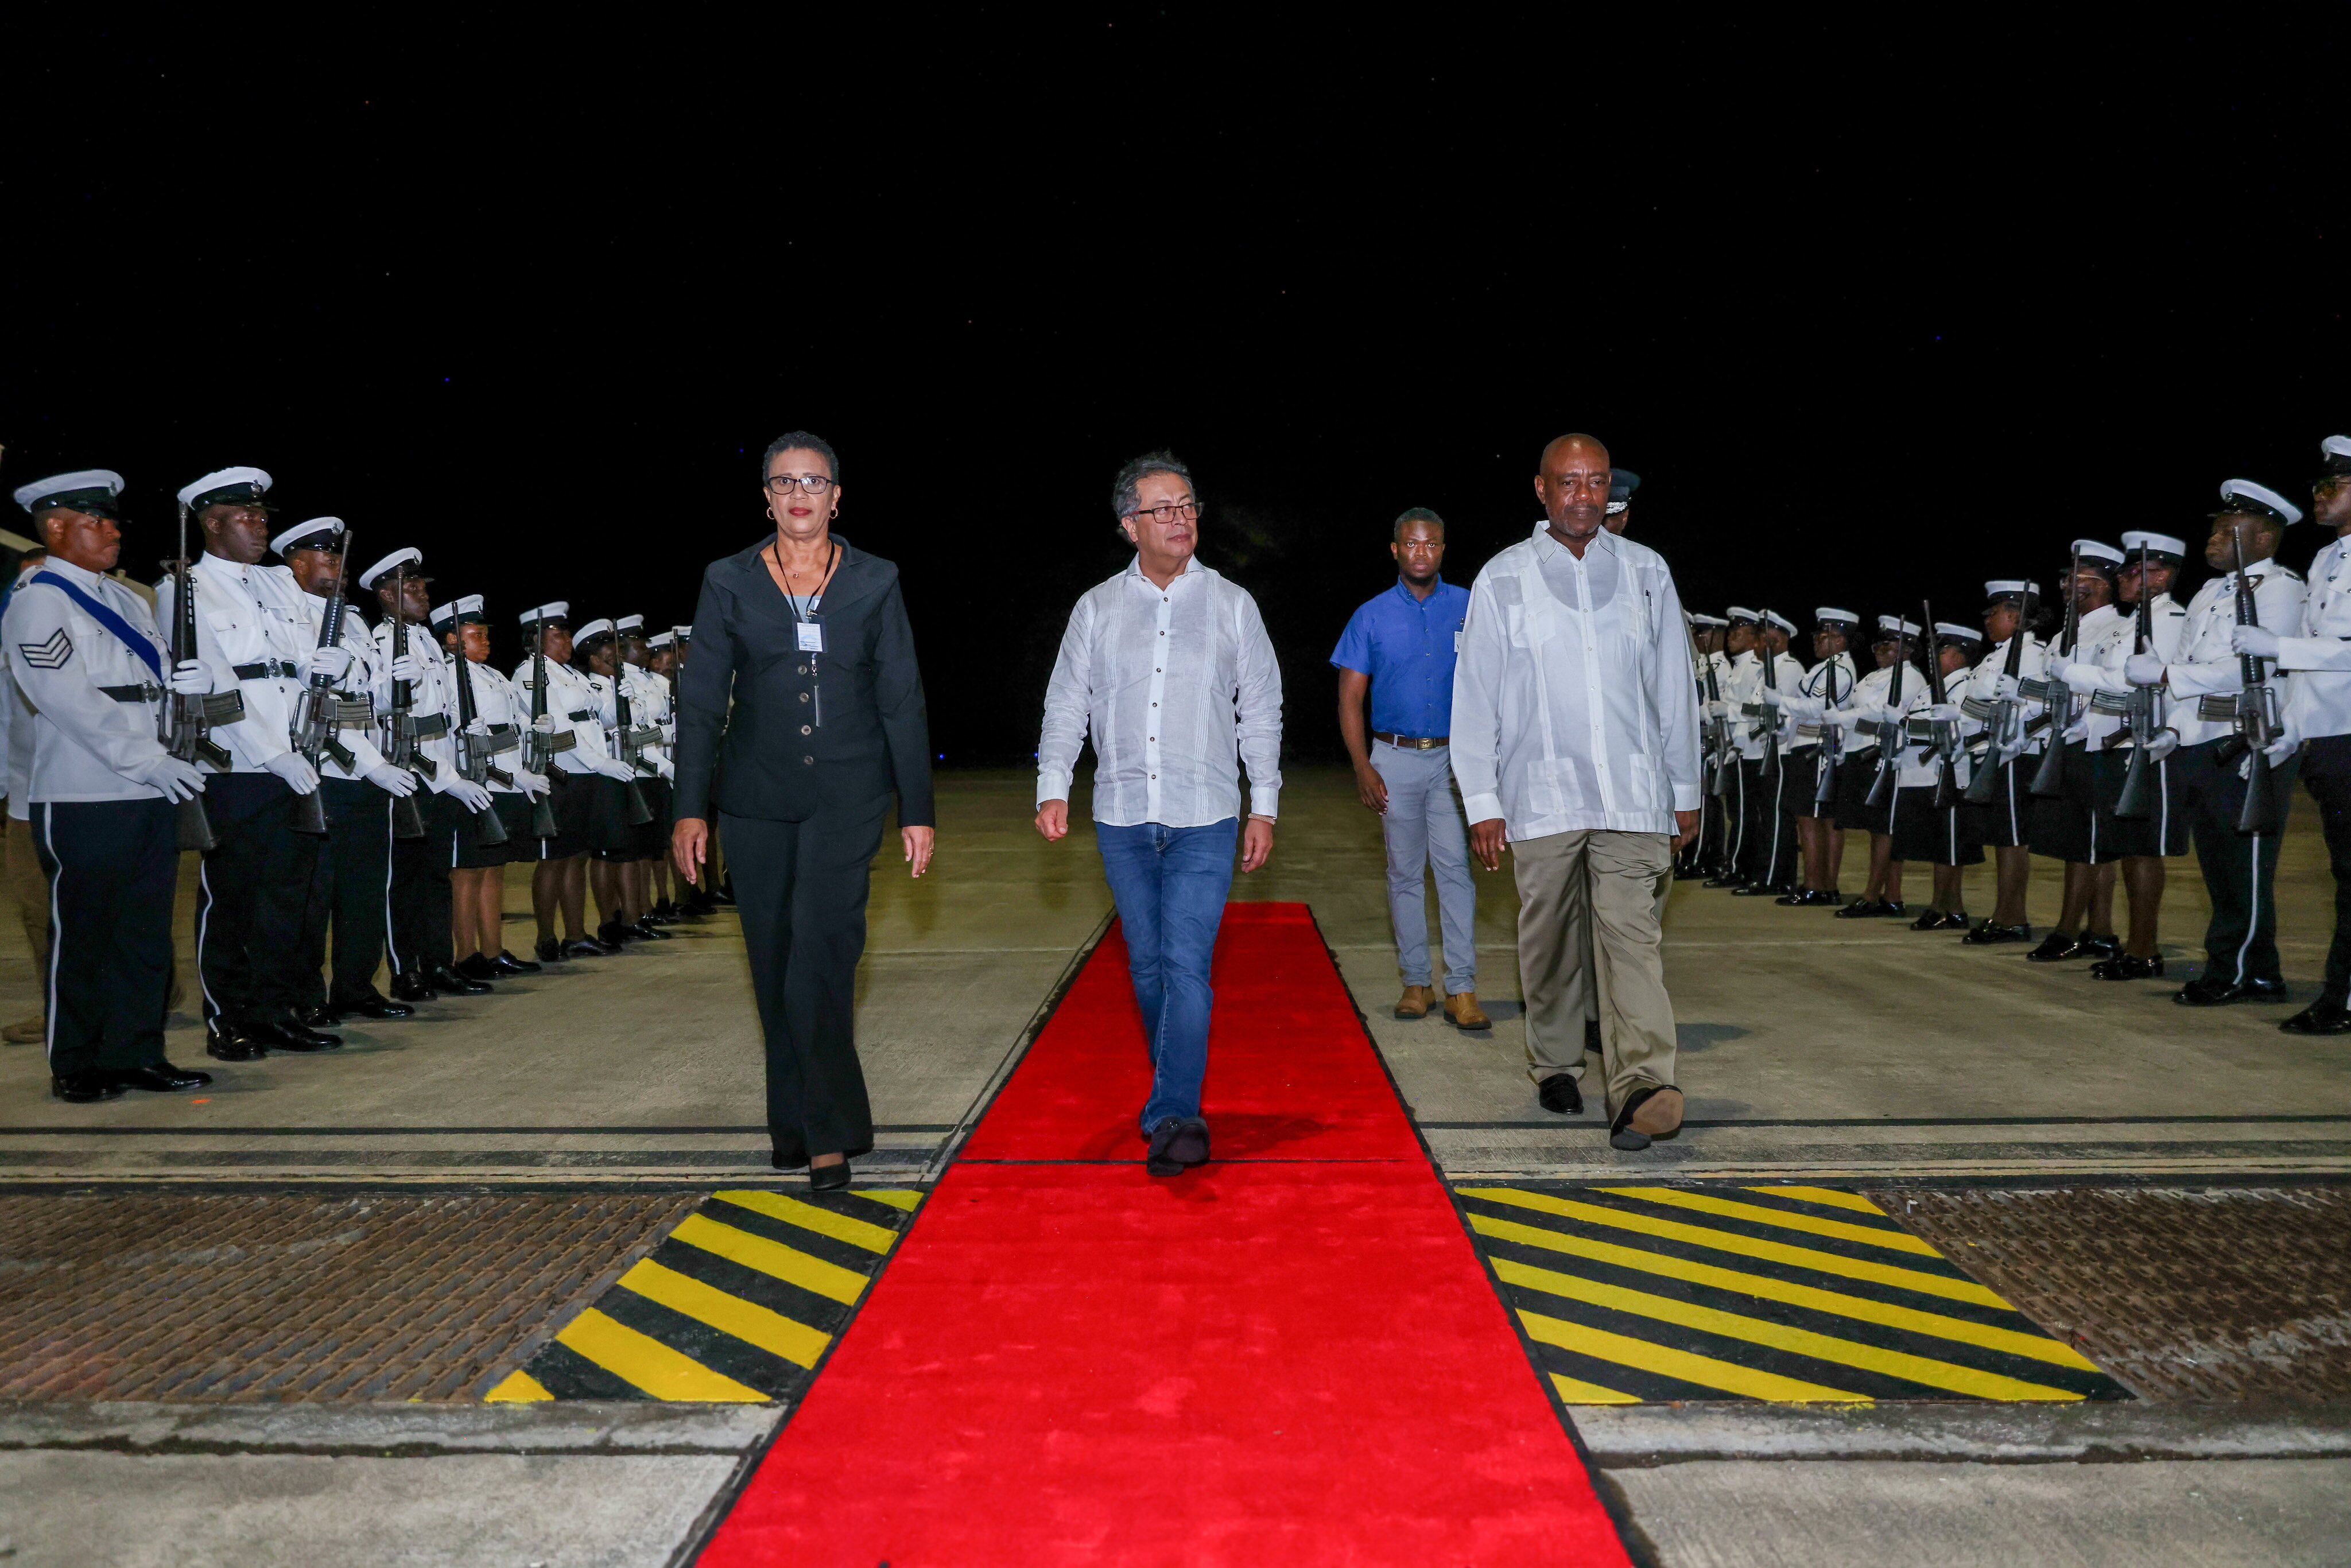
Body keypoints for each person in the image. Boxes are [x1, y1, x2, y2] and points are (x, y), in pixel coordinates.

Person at [674, 431, 936, 1191]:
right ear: (766, 496)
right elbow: (700, 703)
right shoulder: (728, 581)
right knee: (775, 960)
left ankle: (827, 1136)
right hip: (756, 798)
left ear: (836, 497)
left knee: (819, 954)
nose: (799, 495)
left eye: (813, 482)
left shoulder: (875, 580)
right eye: (784, 482)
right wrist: (692, 807)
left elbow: (902, 697)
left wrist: (917, 807)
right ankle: (794, 1126)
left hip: (849, 795)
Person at [1036, 449, 1279, 1179]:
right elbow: (1066, 702)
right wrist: (1054, 783)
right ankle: (1172, 1094)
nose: (1181, 519)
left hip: (1206, 813)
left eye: (1188, 505)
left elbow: (1260, 709)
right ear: (1128, 524)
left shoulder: (1233, 604)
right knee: (1146, 969)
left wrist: (1261, 803)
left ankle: (1175, 1112)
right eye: (1163, 508)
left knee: (1185, 965)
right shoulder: (1097, 608)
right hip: (1121, 814)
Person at [1451, 433, 1698, 1150]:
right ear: (1541, 489)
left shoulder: (1648, 572)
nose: (1583, 494)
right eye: (1569, 482)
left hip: (1632, 795)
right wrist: (1483, 801)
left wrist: (1685, 788)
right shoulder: (1504, 578)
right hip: (1542, 794)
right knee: (1551, 940)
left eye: (1594, 482)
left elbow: (1673, 690)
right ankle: (1556, 1061)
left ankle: (1643, 1083)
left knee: (1631, 939)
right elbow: (1475, 699)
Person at [5, 471, 211, 1101]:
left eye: (115, 520)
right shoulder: (39, 599)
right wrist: (142, 758)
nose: (115, 530)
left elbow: (150, 684)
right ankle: (76, 1059)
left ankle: (137, 1050)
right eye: (99, 521)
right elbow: (62, 696)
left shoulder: (126, 599)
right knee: (87, 930)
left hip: (150, 786)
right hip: (85, 791)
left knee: (144, 930)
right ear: (58, 526)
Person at [161, 467, 339, 1061]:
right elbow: (212, 686)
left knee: (286, 897)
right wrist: (272, 753)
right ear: (213, 524)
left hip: (298, 757)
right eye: (248, 517)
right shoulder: (184, 590)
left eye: (264, 516)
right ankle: (227, 1018)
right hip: (240, 764)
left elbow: (305, 659)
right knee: (233, 897)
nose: (262, 527)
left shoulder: (279, 585)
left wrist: (329, 666)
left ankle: (275, 1010)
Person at [2129, 480, 2306, 1006]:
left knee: (2248, 865)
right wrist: (2173, 730)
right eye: (2213, 529)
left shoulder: (2282, 589)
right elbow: (2190, 668)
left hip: (2250, 742)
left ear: (2265, 538)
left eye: (2227, 530)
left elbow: (2251, 667)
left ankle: (2237, 970)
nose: (2212, 539)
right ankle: (2257, 970)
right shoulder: (2209, 593)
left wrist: (2165, 677)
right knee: (2219, 865)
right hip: (2203, 742)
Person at [1332, 507, 1484, 1028]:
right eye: (1412, 545)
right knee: (1403, 874)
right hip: (1392, 758)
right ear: (1396, 550)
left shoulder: (1471, 607)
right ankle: (1416, 982)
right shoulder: (1370, 616)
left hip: (1452, 761)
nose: (1423, 553)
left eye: (1432, 544)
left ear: (1443, 549)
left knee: (1456, 873)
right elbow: (1351, 700)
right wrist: (1362, 767)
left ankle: (1461, 988)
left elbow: (1494, 687)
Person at [278, 518, 421, 1025]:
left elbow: (366, 698)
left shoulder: (355, 622)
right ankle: (306, 994)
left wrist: (395, 684)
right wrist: (373, 763)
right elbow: (315, 703)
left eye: (340, 559)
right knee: (316, 894)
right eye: (327, 558)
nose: (338, 568)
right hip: (322, 770)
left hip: (366, 772)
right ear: (297, 563)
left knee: (364, 890)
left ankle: (356, 987)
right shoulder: (287, 615)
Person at [2244, 436, 2351, 1032]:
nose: (2320, 495)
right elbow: (2312, 664)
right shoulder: (2326, 561)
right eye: (2318, 485)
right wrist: (2288, 726)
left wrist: (2278, 646)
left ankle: (2342, 997)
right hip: (2328, 739)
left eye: (2333, 485)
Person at [363, 548, 496, 1003]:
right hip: (408, 773)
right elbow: (392, 721)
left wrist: (467, 734)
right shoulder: (381, 644)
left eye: (422, 585)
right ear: (386, 595)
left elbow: (443, 712)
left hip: (442, 771)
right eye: (412, 587)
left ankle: (437, 962)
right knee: (404, 880)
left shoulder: (426, 644)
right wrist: (445, 775)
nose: (423, 594)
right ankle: (406, 971)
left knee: (436, 876)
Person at [2071, 531, 2193, 981]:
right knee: (2127, 850)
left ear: (2159, 575)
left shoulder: (2171, 619)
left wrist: (2077, 675)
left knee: (2143, 850)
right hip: (2116, 741)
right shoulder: (2131, 621)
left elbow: (2135, 679)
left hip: (2147, 743)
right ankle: (2136, 946)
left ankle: (2145, 950)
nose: (2122, 577)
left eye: (2132, 571)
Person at [441, 595, 552, 983]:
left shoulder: (493, 676)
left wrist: (532, 740)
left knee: (493, 870)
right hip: (472, 781)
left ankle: (493, 950)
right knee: (466, 874)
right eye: (476, 635)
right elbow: (450, 727)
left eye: (486, 635)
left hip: (503, 781)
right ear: (453, 640)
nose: (485, 642)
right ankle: (465, 954)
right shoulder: (448, 676)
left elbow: (510, 730)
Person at [2024, 543, 2126, 963]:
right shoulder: (2065, 634)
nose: (2067, 586)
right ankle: (2098, 930)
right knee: (2081, 842)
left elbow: (2116, 685)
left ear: (2102, 584)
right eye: (2067, 579)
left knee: (2092, 843)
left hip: (2100, 744)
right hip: (2065, 743)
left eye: (2077, 579)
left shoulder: (2116, 628)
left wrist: (2088, 717)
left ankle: (2071, 929)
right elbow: (2054, 689)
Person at [515, 604, 629, 960]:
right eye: (558, 634)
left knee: (576, 857)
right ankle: (546, 937)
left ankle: (576, 934)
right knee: (553, 859)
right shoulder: (532, 674)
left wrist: (617, 682)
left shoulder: (572, 675)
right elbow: (561, 727)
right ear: (536, 641)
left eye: (565, 633)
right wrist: (602, 763)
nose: (567, 640)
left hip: (585, 774)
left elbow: (601, 718)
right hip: (560, 774)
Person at [1952, 581, 2050, 944]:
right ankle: (2005, 914)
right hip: (1988, 753)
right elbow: (1976, 707)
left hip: (2014, 754)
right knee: (2000, 839)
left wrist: (2015, 718)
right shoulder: (1997, 656)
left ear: (2014, 616)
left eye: (1994, 615)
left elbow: (2043, 706)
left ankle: (2012, 918)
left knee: (2011, 840)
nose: (1988, 621)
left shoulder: (2033, 654)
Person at [573, 617, 668, 948]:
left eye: (616, 652)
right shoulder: (593, 685)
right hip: (604, 773)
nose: (615, 658)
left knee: (628, 850)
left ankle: (632, 917)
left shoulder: (621, 681)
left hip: (628, 772)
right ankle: (609, 920)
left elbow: (641, 723)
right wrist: (619, 700)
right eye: (608, 654)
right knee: (607, 851)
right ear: (594, 659)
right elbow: (607, 720)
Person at [1767, 607, 1861, 905]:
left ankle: (1816, 885)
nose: (1821, 640)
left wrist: (1780, 701)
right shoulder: (1824, 668)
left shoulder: (1840, 670)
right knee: (1816, 819)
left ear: (1844, 641)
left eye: (1830, 635)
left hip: (1818, 748)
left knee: (1813, 819)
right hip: (1807, 746)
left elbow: (1817, 708)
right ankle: (1823, 885)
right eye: (1820, 634)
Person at [1899, 623, 1988, 929]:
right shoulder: (1932, 687)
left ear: (1961, 656)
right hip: (1925, 775)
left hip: (1951, 774)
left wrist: (1906, 725)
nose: (1934, 656)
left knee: (1950, 848)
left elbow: (1954, 729)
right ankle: (1953, 908)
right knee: (1941, 847)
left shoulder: (1965, 686)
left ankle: (1941, 908)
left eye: (1943, 650)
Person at [1834, 617, 1923, 918]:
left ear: (1907, 648)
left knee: (1885, 828)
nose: (1880, 650)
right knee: (1878, 829)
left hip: (1884, 756)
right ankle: (1892, 896)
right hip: (1862, 751)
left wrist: (1843, 719)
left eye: (1888, 645)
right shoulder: (1875, 676)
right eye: (1878, 645)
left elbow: (1879, 713)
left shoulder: (1910, 677)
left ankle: (1872, 895)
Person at [1729, 610, 1806, 896]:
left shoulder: (1787, 667)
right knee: (1766, 816)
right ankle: (1765, 872)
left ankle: (1775, 877)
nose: (1758, 645)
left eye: (1764, 639)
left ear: (1779, 640)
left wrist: (1733, 711)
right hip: (1763, 750)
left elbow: (1773, 712)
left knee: (1775, 817)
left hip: (1780, 751)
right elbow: (1758, 709)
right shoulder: (1766, 671)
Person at [617, 616, 681, 925]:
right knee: (639, 850)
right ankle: (639, 910)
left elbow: (655, 728)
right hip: (641, 771)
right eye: (639, 646)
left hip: (657, 770)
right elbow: (636, 733)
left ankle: (650, 907)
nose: (647, 651)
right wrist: (668, 767)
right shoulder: (624, 680)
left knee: (655, 846)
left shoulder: (651, 681)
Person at [1701, 609, 1762, 888]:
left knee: (1742, 813)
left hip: (1747, 748)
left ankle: (1737, 866)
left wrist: (1734, 741)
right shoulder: (1740, 666)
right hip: (1735, 747)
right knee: (1736, 812)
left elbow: (1753, 710)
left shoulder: (1751, 667)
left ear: (1754, 637)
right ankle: (1737, 864)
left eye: (1740, 634)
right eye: (1732, 633)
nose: (1732, 639)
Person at [1678, 614, 1731, 879]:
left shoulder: (1719, 667)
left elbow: (1711, 708)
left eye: (1702, 633)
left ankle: (1702, 856)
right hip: (1697, 736)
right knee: (1705, 800)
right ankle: (1699, 855)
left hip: (1708, 739)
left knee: (1705, 800)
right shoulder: (1703, 664)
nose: (1697, 638)